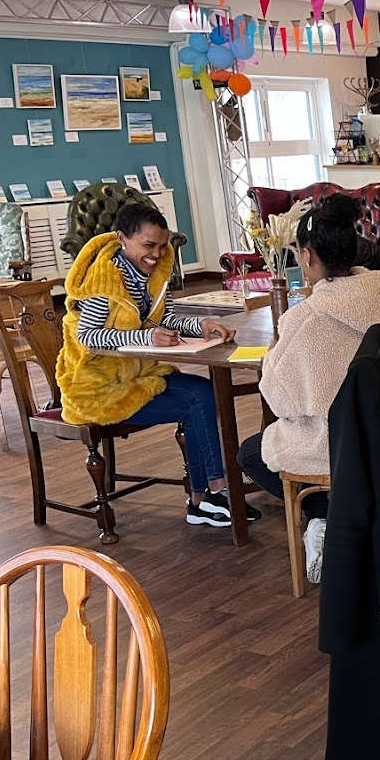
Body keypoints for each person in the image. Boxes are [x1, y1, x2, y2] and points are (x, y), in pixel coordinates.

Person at [237, 195, 380, 583]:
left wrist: (271, 358)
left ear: (306, 256)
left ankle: (323, 517)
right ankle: (341, 520)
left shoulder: (306, 319)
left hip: (334, 444)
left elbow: (280, 399)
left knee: (250, 454)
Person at [58, 201, 252, 527]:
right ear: (121, 238)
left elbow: (167, 320)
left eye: (162, 246)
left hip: (137, 375)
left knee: (203, 392)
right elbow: (89, 337)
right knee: (197, 399)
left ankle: (206, 498)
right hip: (96, 390)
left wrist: (202, 325)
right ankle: (212, 494)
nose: (157, 254)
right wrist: (147, 339)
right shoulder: (101, 281)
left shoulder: (155, 273)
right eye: (148, 246)